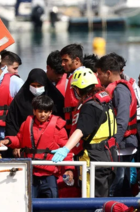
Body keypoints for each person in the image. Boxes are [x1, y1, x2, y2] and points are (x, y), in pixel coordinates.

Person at [51, 68, 118, 197]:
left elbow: (81, 130)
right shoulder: (105, 101)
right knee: (103, 196)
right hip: (109, 154)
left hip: (94, 158)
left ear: (77, 89)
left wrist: (65, 149)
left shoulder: (90, 106)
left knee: (91, 197)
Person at [0, 95, 74, 198]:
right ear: (34, 111)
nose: (43, 114)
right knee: (29, 202)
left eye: (46, 112)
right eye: (40, 111)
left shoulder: (59, 128)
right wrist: (8, 140)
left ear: (50, 112)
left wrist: (68, 168)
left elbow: (66, 150)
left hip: (49, 175)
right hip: (31, 172)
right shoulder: (26, 124)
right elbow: (19, 140)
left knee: (52, 204)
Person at [96, 54, 138, 197]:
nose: (98, 77)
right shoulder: (115, 88)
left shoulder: (120, 90)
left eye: (100, 73)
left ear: (108, 73)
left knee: (118, 182)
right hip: (120, 143)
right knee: (121, 180)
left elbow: (122, 120)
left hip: (122, 144)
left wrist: (113, 144)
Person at [6, 68, 64, 137]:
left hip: (50, 140)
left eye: (39, 86)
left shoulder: (56, 99)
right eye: (33, 85)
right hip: (25, 140)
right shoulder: (20, 100)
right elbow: (11, 122)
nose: (36, 88)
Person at [60, 44, 101, 131]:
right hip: (75, 125)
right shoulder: (73, 76)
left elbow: (91, 103)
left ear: (77, 60)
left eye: (65, 60)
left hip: (81, 127)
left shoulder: (84, 78)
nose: (62, 64)